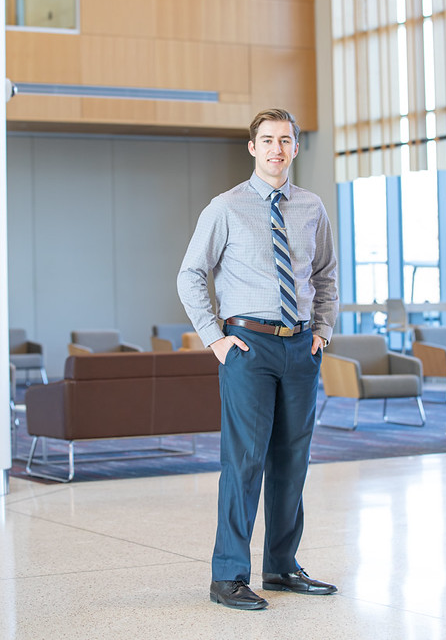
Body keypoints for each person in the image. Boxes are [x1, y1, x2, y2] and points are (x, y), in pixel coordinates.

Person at [177, 108, 339, 611]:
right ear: (252, 148)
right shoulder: (223, 208)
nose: (276, 149)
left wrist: (323, 332)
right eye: (266, 140)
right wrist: (215, 338)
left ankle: (282, 566)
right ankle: (227, 575)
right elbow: (190, 275)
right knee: (244, 461)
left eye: (285, 140)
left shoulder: (311, 206)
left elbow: (327, 275)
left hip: (300, 346)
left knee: (292, 460)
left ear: (294, 148)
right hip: (247, 346)